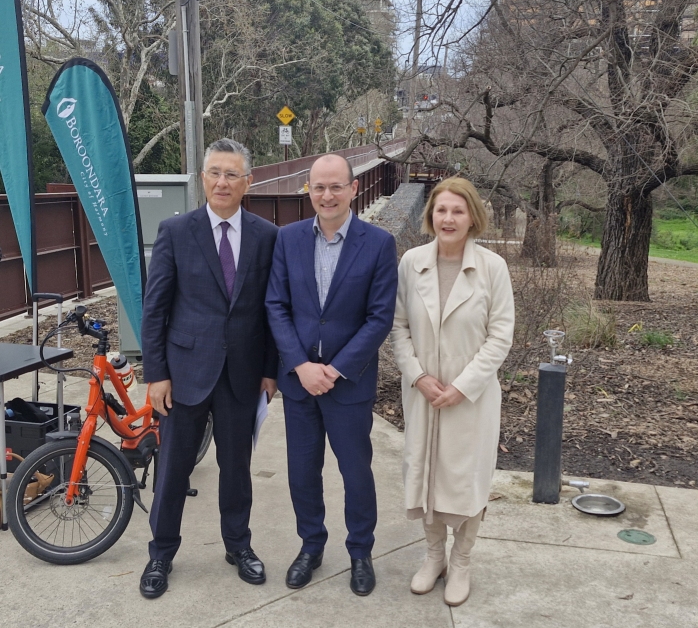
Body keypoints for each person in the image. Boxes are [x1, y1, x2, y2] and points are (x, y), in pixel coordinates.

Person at [139, 138, 278, 599]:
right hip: (183, 375)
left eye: (231, 174)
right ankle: (161, 552)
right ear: (202, 179)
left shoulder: (266, 235)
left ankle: (238, 546)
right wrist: (156, 373)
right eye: (214, 172)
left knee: (236, 468)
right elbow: (155, 308)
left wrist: (270, 370)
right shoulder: (176, 232)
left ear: (247, 182)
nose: (222, 182)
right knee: (174, 468)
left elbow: (272, 310)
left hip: (242, 374)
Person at [265, 154, 398, 596]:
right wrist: (301, 366)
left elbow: (378, 319)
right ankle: (311, 546)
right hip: (300, 383)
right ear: (309, 190)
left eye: (335, 186)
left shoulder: (378, 243)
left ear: (353, 189)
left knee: (356, 472)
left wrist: (336, 370)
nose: (327, 195)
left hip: (349, 386)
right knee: (303, 472)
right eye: (318, 187)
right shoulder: (287, 240)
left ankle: (361, 552)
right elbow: (276, 306)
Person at [390, 176, 514, 607]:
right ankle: (433, 557)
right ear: (431, 216)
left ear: (472, 217)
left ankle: (461, 562)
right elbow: (399, 327)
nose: (448, 218)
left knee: (465, 479)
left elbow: (501, 337)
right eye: (441, 210)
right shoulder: (412, 262)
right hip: (423, 393)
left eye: (458, 211)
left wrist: (463, 386)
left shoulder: (492, 268)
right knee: (424, 473)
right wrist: (418, 376)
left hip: (471, 399)